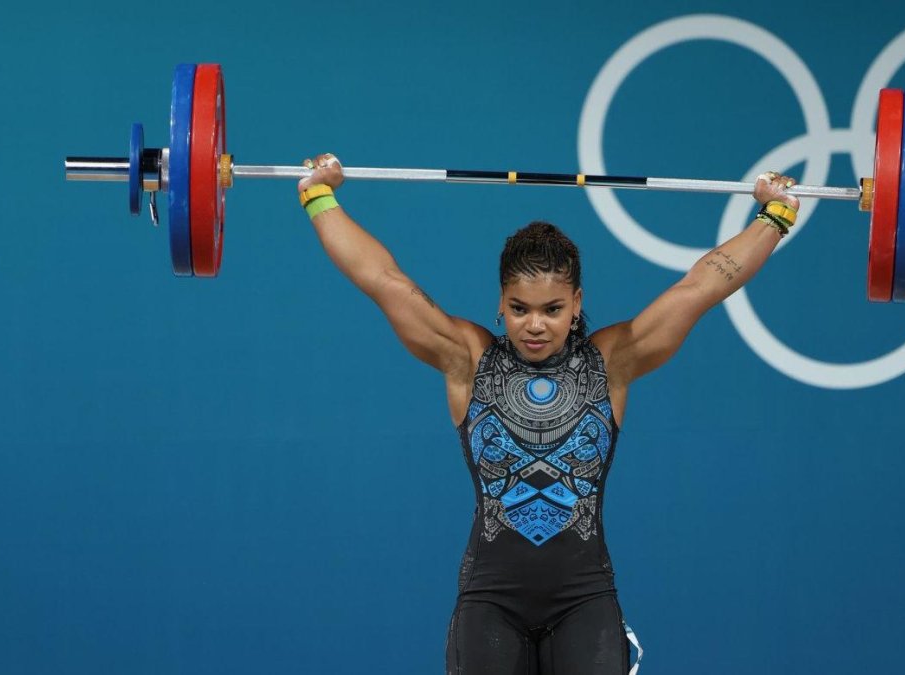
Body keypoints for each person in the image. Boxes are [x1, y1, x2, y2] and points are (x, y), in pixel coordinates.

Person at [297, 153, 800, 675]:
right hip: (490, 603)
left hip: (584, 601)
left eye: (552, 309)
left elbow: (700, 288)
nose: (534, 324)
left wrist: (775, 215)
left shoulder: (611, 362)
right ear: (501, 302)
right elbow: (384, 280)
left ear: (576, 303)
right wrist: (319, 195)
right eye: (520, 308)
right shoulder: (468, 359)